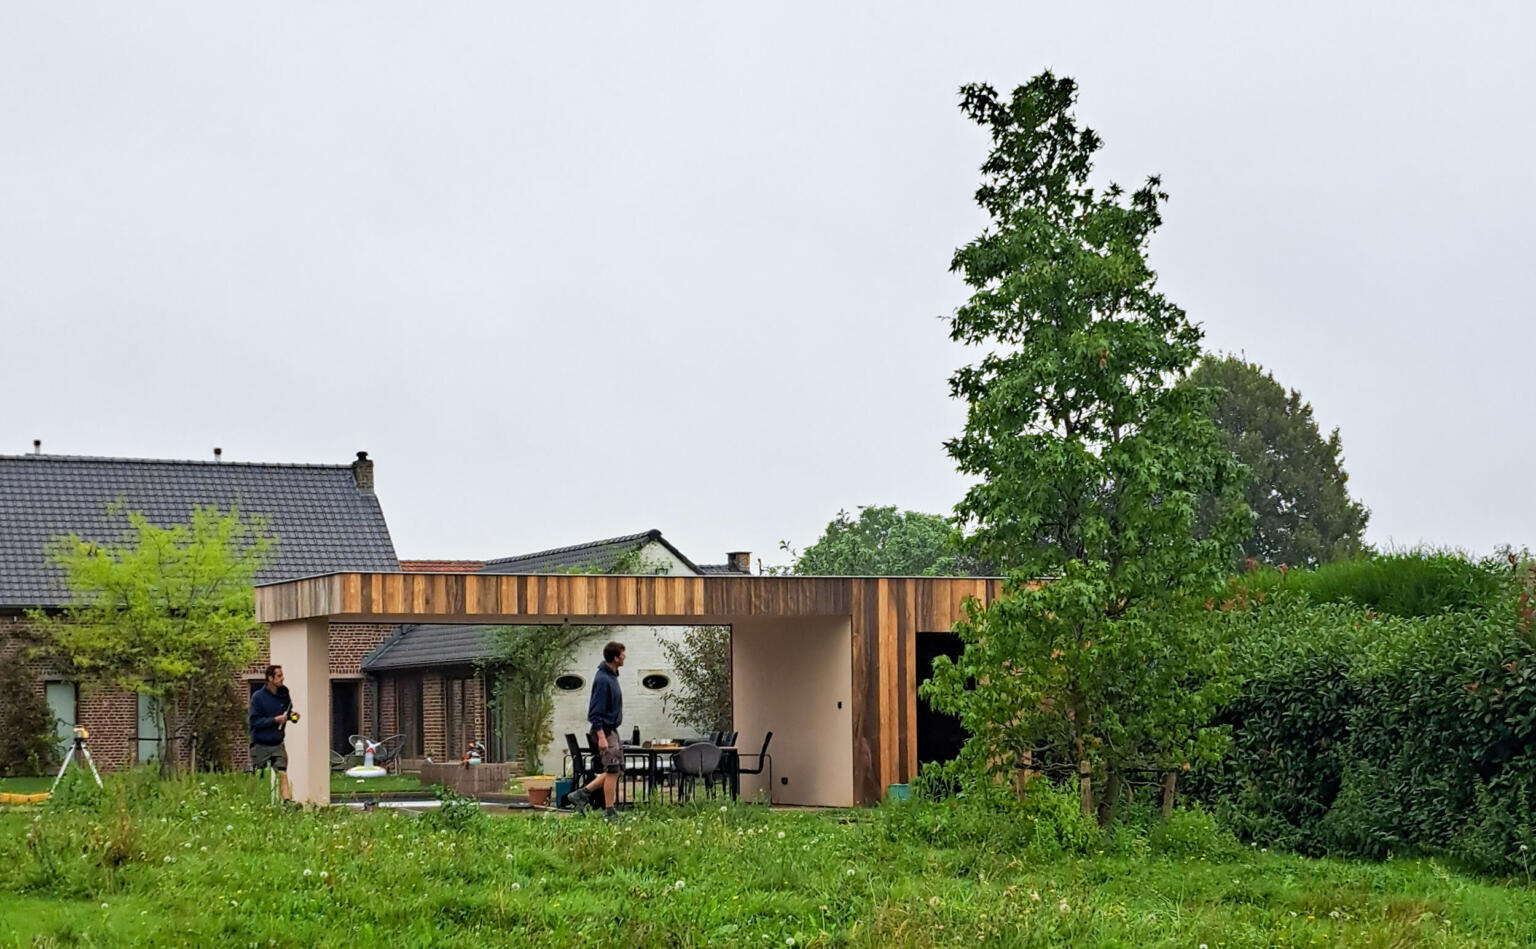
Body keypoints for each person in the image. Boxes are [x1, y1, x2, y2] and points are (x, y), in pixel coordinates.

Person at [568, 641, 625, 819]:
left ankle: (580, 794)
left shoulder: (612, 676)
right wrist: (601, 737)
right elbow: (595, 712)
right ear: (615, 658)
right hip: (605, 731)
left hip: (612, 730)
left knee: (616, 770)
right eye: (622, 654)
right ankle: (609, 812)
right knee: (613, 770)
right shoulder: (602, 679)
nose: (624, 657)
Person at [249, 664, 295, 802]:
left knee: (282, 772)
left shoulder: (284, 694)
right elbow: (254, 721)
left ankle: (287, 802)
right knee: (259, 774)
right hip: (261, 743)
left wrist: (292, 717)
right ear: (270, 678)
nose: (283, 678)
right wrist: (274, 720)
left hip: (277, 743)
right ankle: (254, 801)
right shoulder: (258, 697)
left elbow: (288, 712)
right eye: (279, 676)